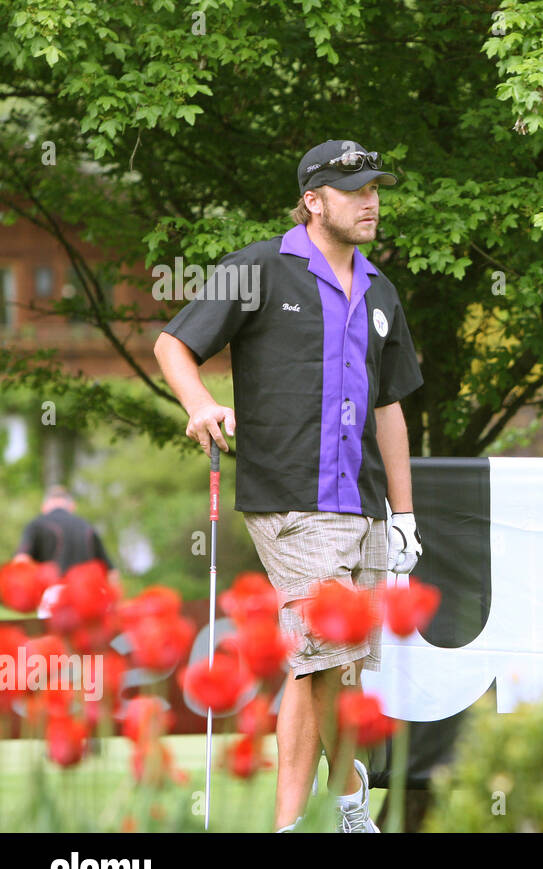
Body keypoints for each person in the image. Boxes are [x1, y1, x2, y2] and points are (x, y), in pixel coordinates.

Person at [152, 139, 425, 833]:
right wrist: (199, 405)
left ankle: (346, 788)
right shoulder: (259, 269)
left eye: (376, 188)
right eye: (356, 190)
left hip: (363, 504)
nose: (372, 200)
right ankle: (300, 822)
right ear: (313, 201)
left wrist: (406, 514)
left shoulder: (381, 291)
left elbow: (390, 405)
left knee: (337, 666)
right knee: (320, 655)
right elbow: (173, 345)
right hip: (289, 501)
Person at [13, 485, 122, 617]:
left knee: (55, 636)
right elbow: (111, 574)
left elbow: (22, 562)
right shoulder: (87, 527)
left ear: (45, 506)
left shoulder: (37, 524)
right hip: (87, 597)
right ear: (72, 506)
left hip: (53, 597)